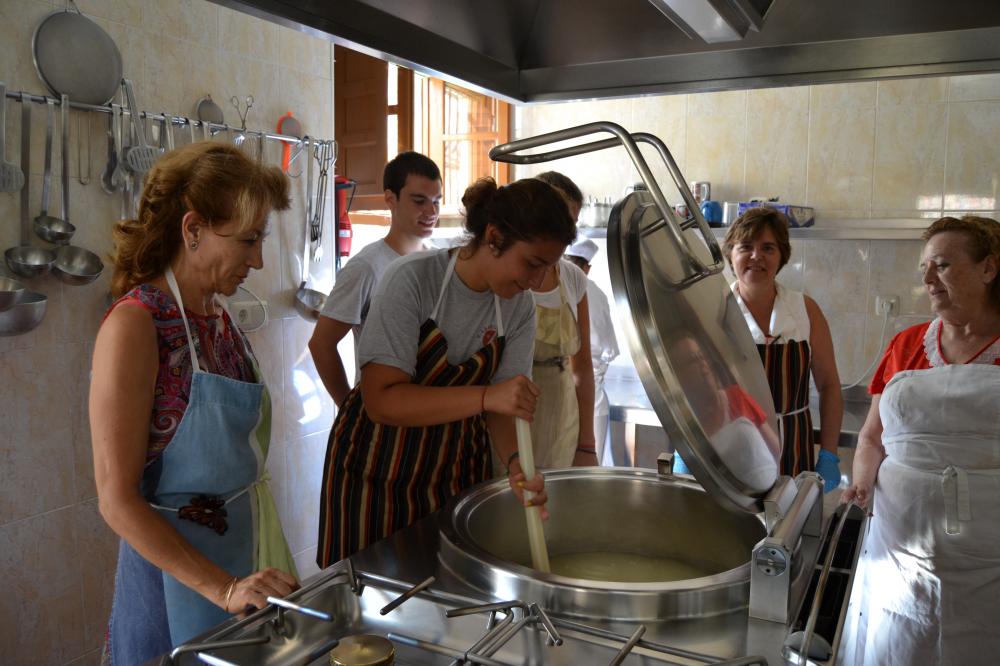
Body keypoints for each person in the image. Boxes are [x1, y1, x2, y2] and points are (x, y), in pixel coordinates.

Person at [90, 142, 299, 662]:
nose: (258, 260)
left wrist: (241, 583)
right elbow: (116, 499)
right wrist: (223, 588)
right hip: (173, 583)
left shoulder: (220, 318)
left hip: (244, 563)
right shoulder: (136, 324)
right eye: (248, 240)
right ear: (193, 230)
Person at [316, 177, 578, 566]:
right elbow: (382, 400)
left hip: (453, 470)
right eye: (532, 264)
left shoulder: (518, 307)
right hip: (377, 469)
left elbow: (502, 407)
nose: (536, 282)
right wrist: (487, 396)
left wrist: (516, 465)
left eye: (548, 269)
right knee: (370, 587)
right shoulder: (412, 279)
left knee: (447, 583)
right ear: (494, 237)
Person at [840, 215, 1000, 665]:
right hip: (901, 545)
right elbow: (872, 437)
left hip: (988, 557)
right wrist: (863, 482)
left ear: (988, 268)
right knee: (903, 641)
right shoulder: (907, 345)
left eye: (942, 265)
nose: (928, 279)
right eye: (924, 267)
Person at [724, 206, 843, 491]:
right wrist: (687, 451)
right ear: (730, 254)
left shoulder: (805, 309)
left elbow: (829, 385)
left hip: (795, 450)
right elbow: (696, 391)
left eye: (768, 248)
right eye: (746, 247)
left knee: (789, 519)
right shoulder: (716, 311)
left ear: (782, 256)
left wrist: (829, 454)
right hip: (733, 451)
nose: (757, 256)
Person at [309, 152, 442, 407]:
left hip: (433, 409)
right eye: (419, 201)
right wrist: (349, 408)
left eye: (436, 201)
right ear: (391, 199)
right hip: (382, 412)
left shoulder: (440, 262)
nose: (431, 211)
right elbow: (321, 344)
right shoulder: (367, 267)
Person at [529, 171, 597, 469]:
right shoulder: (512, 276)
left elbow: (582, 368)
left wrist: (587, 444)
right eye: (560, 220)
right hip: (514, 419)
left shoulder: (573, 278)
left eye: (572, 222)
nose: (567, 233)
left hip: (563, 420)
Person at [670, 331, 781, 489]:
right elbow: (685, 484)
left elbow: (775, 450)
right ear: (680, 376)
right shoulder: (685, 423)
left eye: (702, 356)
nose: (702, 363)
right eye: (693, 359)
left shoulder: (737, 397)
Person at [564, 237, 620, 466]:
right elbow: (609, 349)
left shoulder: (554, 283)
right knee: (589, 471)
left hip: (565, 396)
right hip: (593, 397)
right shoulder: (595, 292)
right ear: (587, 268)